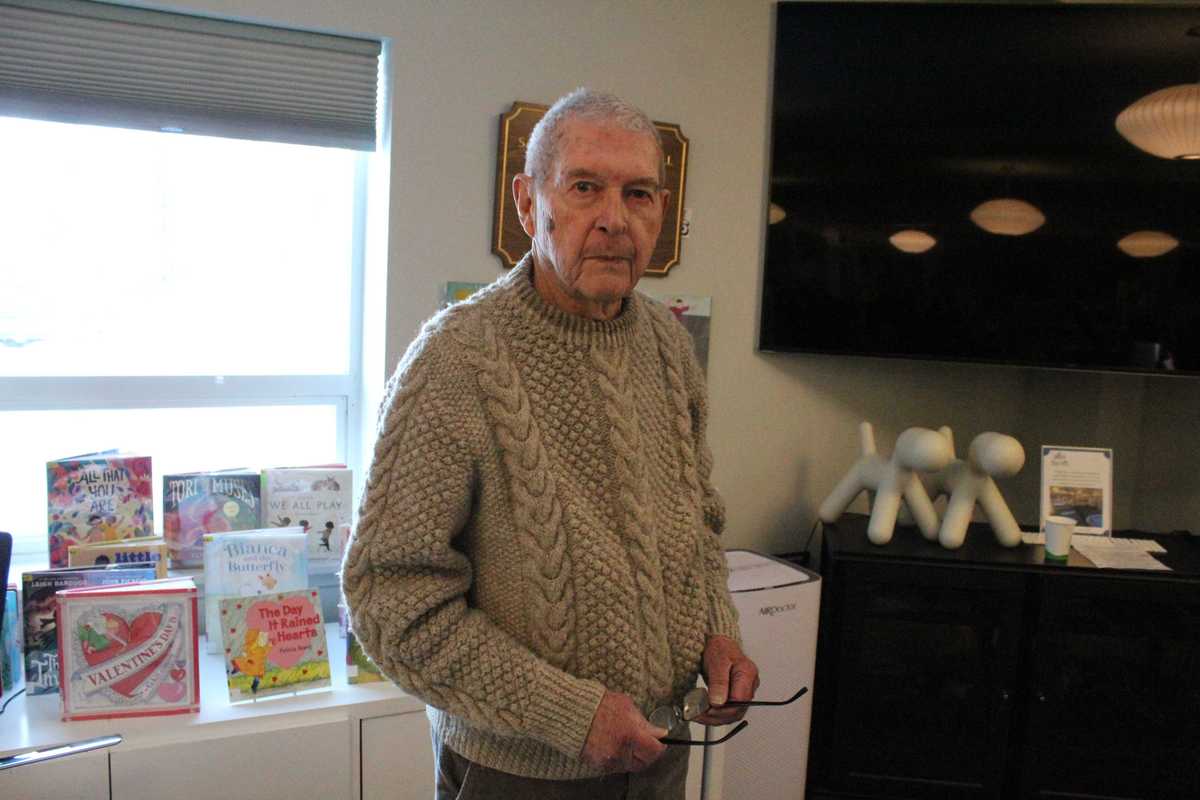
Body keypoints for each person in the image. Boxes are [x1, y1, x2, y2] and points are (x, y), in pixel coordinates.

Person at [341, 88, 758, 799]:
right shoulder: (456, 361)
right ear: (529, 202)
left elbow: (698, 528)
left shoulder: (668, 345)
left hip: (663, 754)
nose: (614, 221)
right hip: (518, 775)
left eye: (639, 194)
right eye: (585, 188)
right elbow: (388, 599)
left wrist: (718, 633)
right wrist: (570, 714)